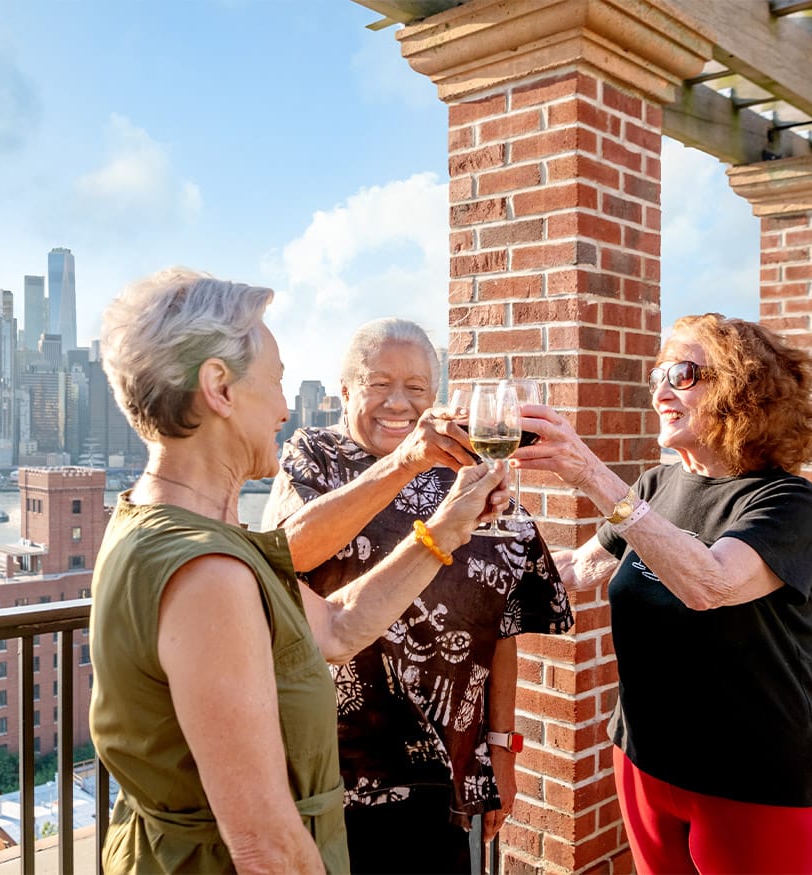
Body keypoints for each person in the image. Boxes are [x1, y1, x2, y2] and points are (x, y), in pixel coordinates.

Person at [89, 269, 509, 875]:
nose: (286, 408)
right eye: (277, 381)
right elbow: (266, 847)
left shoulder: (179, 529)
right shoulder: (209, 573)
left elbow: (336, 625)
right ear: (220, 389)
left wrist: (445, 529)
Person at [513, 313, 812, 875]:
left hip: (754, 775)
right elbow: (577, 568)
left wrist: (589, 472)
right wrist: (462, 544)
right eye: (658, 374)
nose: (660, 391)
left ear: (743, 388)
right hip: (644, 758)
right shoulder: (656, 486)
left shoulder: (787, 502)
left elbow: (709, 583)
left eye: (683, 374)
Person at [262, 317, 574, 875]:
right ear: (345, 391)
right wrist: (403, 461)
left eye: (416, 388)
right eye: (378, 384)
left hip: (441, 762)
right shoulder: (317, 458)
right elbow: (286, 552)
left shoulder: (466, 472)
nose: (397, 402)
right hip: (331, 761)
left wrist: (501, 744)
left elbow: (498, 619)